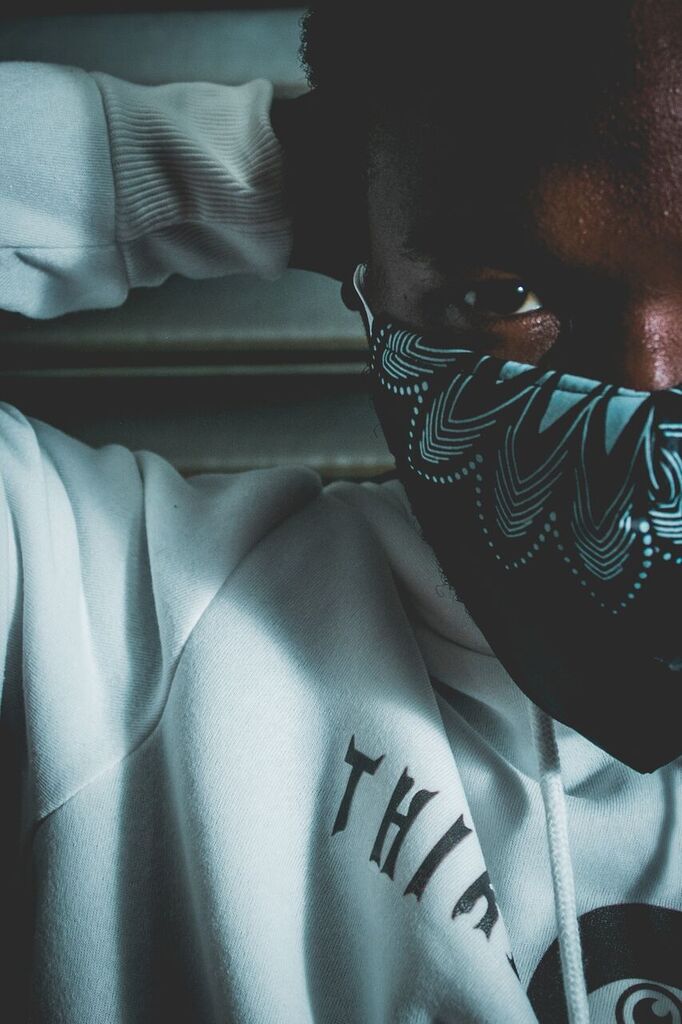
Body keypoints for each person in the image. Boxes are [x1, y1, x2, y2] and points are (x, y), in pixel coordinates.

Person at [1, 3, 681, 1022]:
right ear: (365, 270)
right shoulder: (113, 628)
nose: (648, 401)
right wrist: (276, 163)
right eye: (507, 294)